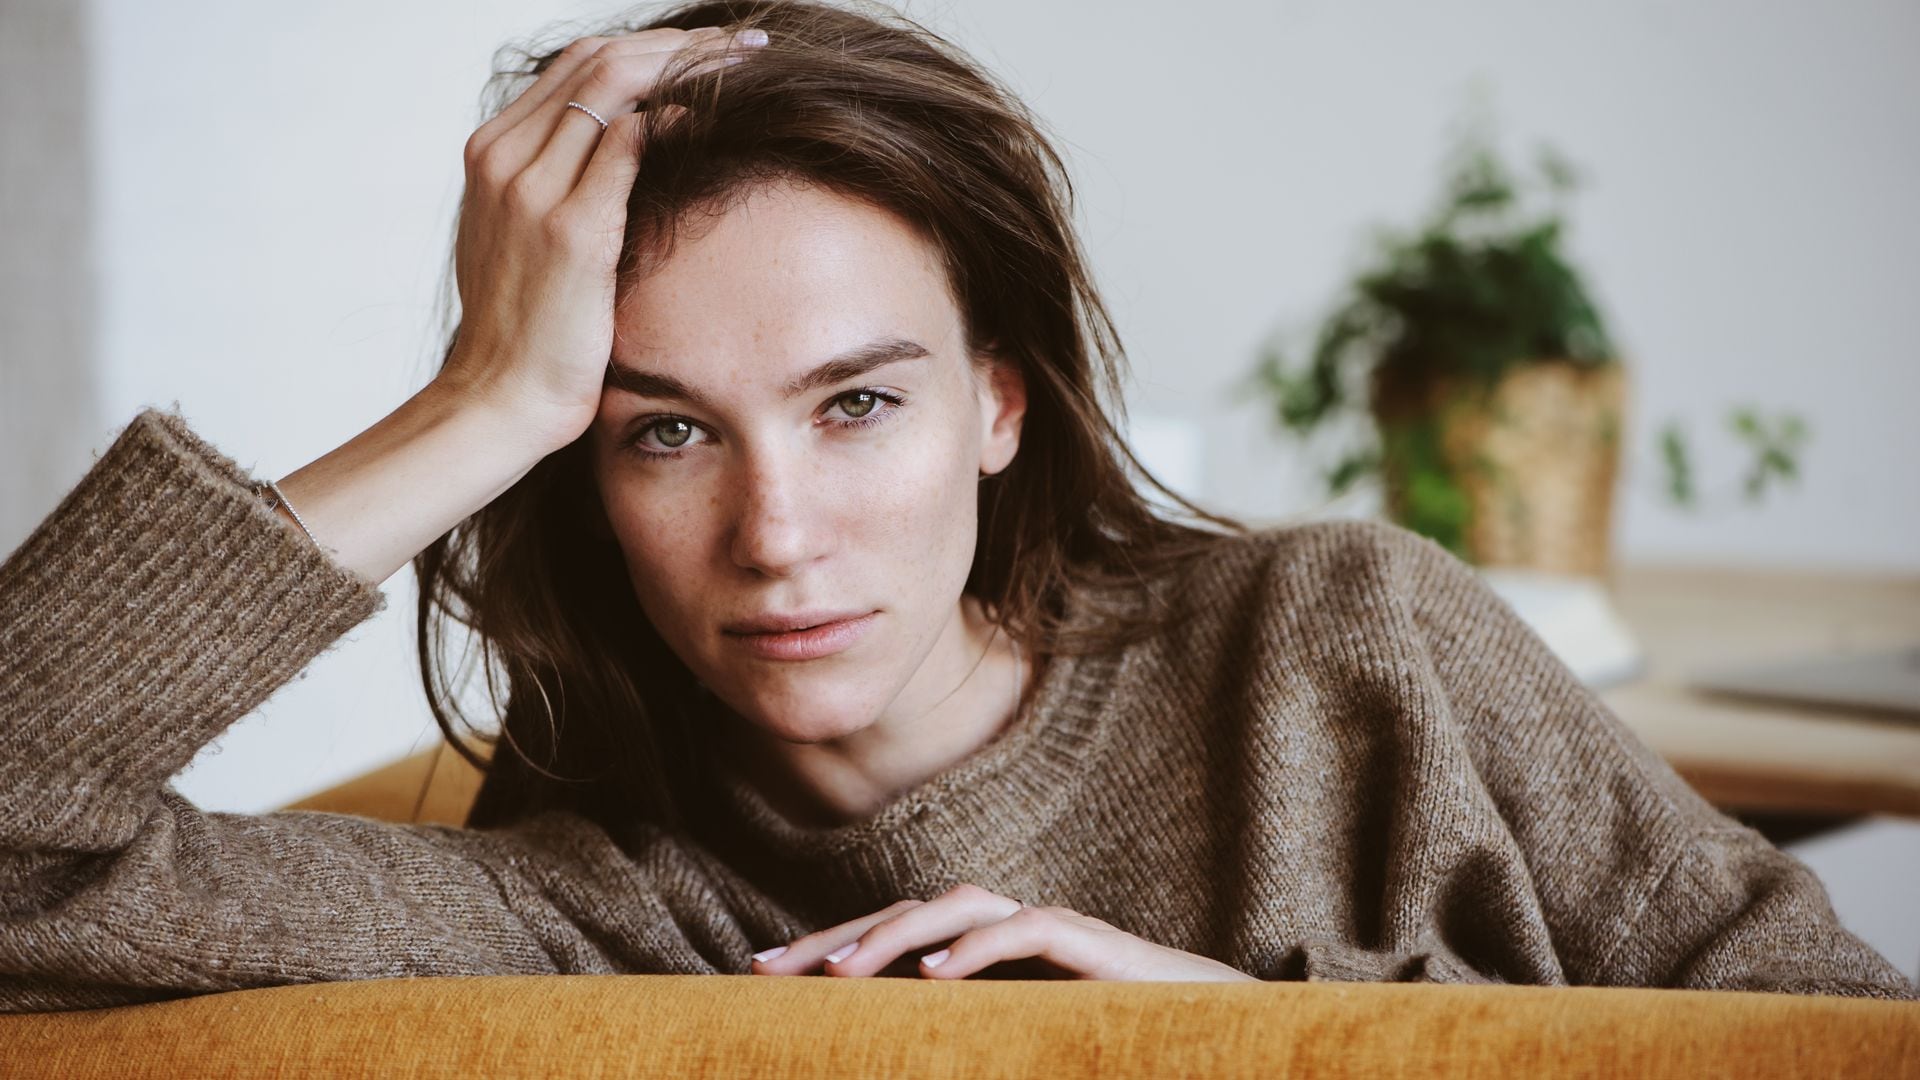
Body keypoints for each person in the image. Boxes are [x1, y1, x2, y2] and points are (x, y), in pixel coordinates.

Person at [0, 0, 1912, 1013]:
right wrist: (480, 397)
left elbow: (1840, 1036)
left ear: (999, 398)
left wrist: (1245, 1033)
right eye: (659, 431)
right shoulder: (599, 900)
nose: (779, 532)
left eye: (857, 405)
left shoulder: (1342, 642)